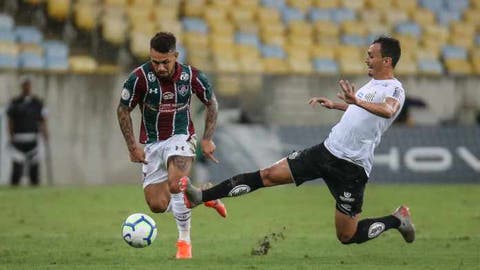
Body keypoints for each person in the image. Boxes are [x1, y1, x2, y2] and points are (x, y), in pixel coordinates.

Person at [180, 36, 415, 246]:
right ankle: (201, 196)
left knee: (347, 236)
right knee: (267, 175)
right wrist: (339, 105)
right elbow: (362, 113)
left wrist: (355, 101)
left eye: (371, 56)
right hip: (326, 151)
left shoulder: (395, 89)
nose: (366, 59)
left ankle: (397, 219)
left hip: (351, 168)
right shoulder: (372, 84)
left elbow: (386, 110)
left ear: (387, 61)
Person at [116, 32, 227, 259]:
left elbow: (211, 103)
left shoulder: (192, 76)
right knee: (157, 204)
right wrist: (131, 147)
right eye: (155, 62)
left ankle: (184, 244)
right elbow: (123, 109)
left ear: (175, 56)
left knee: (176, 183)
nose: (160, 67)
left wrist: (206, 138)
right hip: (153, 143)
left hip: (181, 136)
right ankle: (202, 194)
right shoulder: (139, 78)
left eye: (165, 62)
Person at [7, 75, 49, 186]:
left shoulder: (37, 103)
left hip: (33, 140)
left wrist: (45, 134)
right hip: (18, 140)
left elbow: (43, 120)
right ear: (21, 86)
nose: (27, 87)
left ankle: (34, 188)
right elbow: (10, 120)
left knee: (34, 170)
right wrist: (11, 136)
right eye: (25, 84)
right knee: (17, 169)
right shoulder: (14, 103)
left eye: (29, 84)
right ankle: (14, 188)